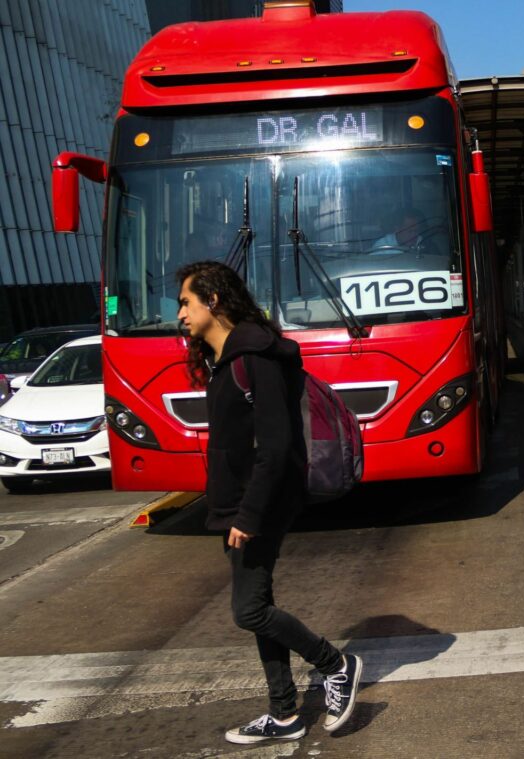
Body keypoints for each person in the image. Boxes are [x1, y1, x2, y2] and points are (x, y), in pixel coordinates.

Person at [176, 261, 361, 745]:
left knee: (249, 611)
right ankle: (284, 713)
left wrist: (249, 515)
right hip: (236, 505)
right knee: (259, 604)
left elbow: (275, 446)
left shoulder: (254, 358)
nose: (180, 314)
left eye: (185, 302)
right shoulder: (228, 359)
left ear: (212, 301)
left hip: (257, 506)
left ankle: (336, 664)